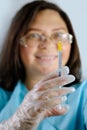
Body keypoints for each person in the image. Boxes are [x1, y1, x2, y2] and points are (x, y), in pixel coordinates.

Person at [0, 0, 87, 130]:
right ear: (16, 43)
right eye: (34, 35)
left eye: (58, 34)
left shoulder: (83, 95)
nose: (47, 44)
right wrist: (18, 122)